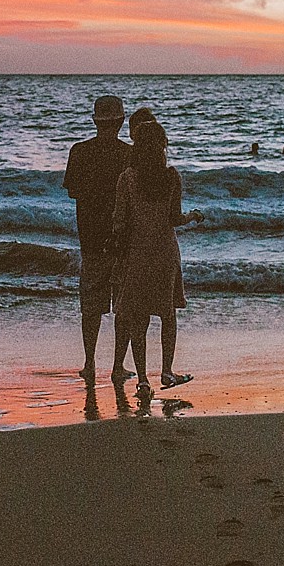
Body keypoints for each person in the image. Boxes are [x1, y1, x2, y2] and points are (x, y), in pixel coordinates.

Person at [111, 119, 204, 394]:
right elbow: (175, 218)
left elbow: (119, 222)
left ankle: (142, 379)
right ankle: (166, 371)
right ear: (163, 146)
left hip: (137, 253)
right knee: (167, 313)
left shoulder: (127, 178)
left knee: (139, 318)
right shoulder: (172, 176)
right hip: (165, 252)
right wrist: (194, 216)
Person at [62, 95, 133, 383]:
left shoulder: (79, 151)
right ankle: (118, 366)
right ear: (120, 122)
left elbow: (72, 191)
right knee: (124, 306)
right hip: (121, 240)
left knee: (91, 307)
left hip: (90, 238)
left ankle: (89, 363)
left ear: (94, 120)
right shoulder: (129, 155)